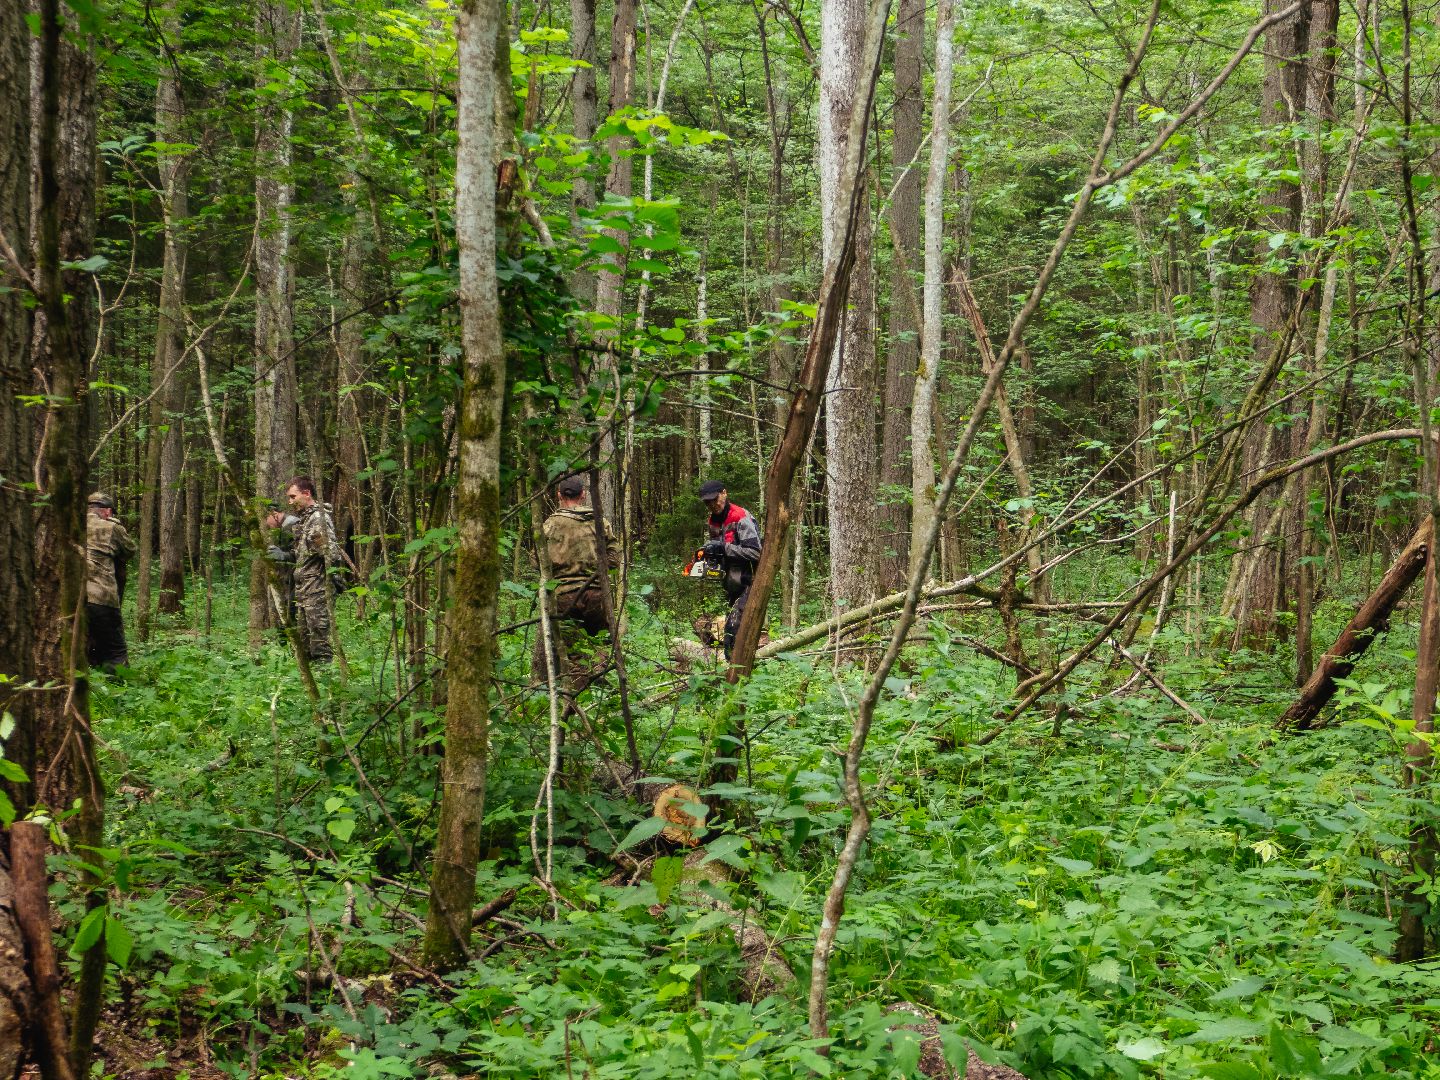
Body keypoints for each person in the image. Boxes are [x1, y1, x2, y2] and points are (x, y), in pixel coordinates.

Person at [538, 475, 621, 685]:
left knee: (573, 655)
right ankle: (601, 695)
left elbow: (537, 561)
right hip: (596, 596)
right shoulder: (600, 523)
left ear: (559, 496)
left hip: (563, 597)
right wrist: (595, 571)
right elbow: (614, 558)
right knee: (601, 647)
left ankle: (577, 699)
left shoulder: (550, 526)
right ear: (583, 495)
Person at [698, 480, 761, 657]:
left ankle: (738, 670)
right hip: (731, 582)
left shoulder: (740, 517)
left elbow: (755, 553)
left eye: (714, 499)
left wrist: (723, 548)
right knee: (729, 629)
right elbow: (720, 553)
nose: (712, 505)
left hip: (750, 580)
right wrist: (709, 556)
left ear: (724, 493)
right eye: (707, 502)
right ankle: (733, 671)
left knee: (735, 628)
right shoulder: (713, 521)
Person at [285, 476, 344, 664]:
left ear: (306, 493)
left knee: (319, 642)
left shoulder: (318, 518)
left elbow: (331, 553)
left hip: (317, 589)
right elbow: (303, 553)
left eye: (293, 497)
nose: (290, 501)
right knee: (304, 642)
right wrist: (285, 555)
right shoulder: (305, 520)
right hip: (305, 591)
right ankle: (310, 686)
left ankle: (326, 684)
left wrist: (332, 577)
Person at [85, 492, 136, 671]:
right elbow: (130, 549)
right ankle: (120, 693)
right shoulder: (111, 528)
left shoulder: (73, 524)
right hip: (102, 596)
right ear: (107, 511)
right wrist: (116, 524)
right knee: (116, 651)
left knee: (86, 645)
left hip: (75, 598)